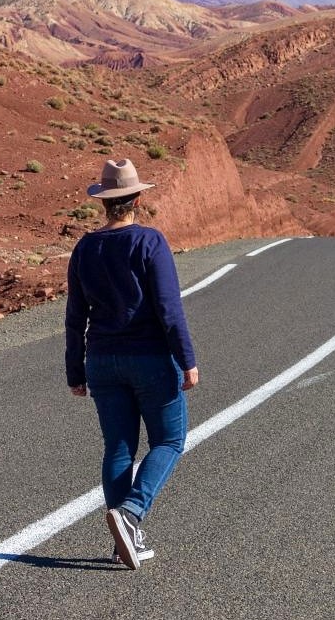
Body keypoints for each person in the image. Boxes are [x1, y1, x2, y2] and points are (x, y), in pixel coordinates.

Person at [65, 157, 199, 570]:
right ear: (138, 198)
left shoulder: (85, 248)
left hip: (102, 361)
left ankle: (125, 537)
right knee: (169, 441)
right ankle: (131, 513)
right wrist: (187, 360)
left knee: (118, 447)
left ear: (103, 202)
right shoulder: (150, 242)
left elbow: (75, 315)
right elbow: (168, 308)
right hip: (151, 359)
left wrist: (75, 369)